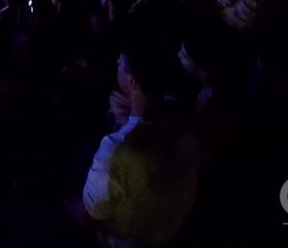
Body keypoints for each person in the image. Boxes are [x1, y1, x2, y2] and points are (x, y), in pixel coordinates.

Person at [80, 44, 200, 247]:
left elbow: (89, 214)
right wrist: (127, 121)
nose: (116, 66)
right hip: (172, 230)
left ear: (132, 81)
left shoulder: (116, 150)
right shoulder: (184, 116)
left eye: (120, 65)